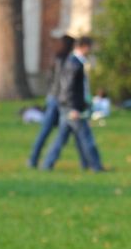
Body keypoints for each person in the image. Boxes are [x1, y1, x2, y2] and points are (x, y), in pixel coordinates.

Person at [43, 35, 105, 172]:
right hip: (72, 108)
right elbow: (68, 88)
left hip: (69, 106)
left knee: (62, 138)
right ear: (85, 47)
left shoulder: (74, 62)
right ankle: (96, 166)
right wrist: (73, 108)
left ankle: (48, 164)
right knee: (86, 137)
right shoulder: (74, 63)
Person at [28, 36, 73, 167]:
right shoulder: (66, 61)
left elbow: (50, 79)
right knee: (57, 131)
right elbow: (63, 83)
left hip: (52, 97)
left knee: (46, 130)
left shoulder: (56, 59)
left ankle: (34, 159)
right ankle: (38, 160)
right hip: (60, 99)